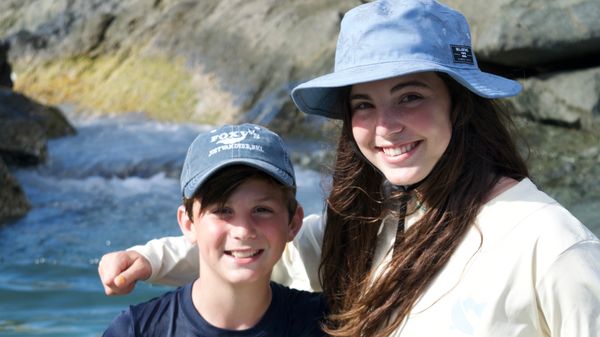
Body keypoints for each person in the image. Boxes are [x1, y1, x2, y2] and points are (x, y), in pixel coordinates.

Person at [99, 0, 600, 336]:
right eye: (364, 104)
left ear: (461, 103)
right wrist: (150, 259)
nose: (386, 126)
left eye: (410, 97)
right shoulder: (366, 227)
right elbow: (257, 244)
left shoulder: (550, 242)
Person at [102, 123, 327, 337]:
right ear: (188, 224)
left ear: (294, 223)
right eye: (222, 210)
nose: (243, 230)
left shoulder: (330, 326)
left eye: (262, 209)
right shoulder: (136, 331)